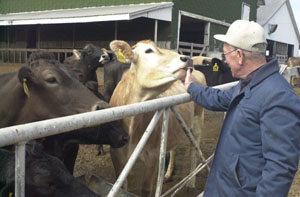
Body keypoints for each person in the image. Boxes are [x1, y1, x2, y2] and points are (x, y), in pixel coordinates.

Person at [184, 19, 300, 197]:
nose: (224, 60)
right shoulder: (247, 83)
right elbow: (217, 98)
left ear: (239, 55)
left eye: (225, 54)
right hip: (224, 186)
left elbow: (280, 168)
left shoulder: (279, 96)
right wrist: (192, 87)